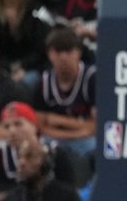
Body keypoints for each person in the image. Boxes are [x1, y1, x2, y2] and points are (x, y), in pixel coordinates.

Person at [32, 28, 97, 158]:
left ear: (78, 52)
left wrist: (53, 119)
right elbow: (39, 126)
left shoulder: (92, 78)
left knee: (97, 148)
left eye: (68, 51)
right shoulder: (43, 82)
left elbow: (96, 127)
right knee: (36, 148)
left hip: (86, 140)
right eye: (58, 51)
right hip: (55, 139)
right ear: (49, 54)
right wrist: (79, 128)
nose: (63, 57)